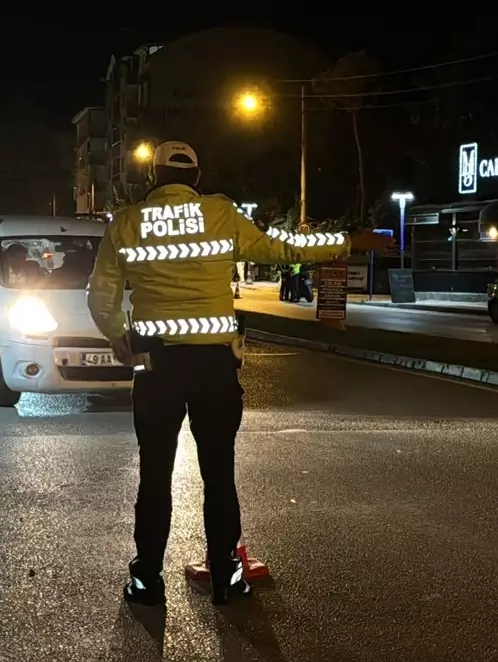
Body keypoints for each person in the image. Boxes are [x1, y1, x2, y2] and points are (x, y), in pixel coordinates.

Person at [88, 140, 385, 606]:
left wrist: (118, 337)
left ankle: (146, 580)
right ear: (198, 178)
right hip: (213, 365)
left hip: (156, 365)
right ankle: (227, 578)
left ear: (154, 178)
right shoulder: (221, 215)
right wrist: (348, 241)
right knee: (218, 474)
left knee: (155, 476)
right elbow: (283, 248)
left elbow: (100, 296)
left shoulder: (127, 222)